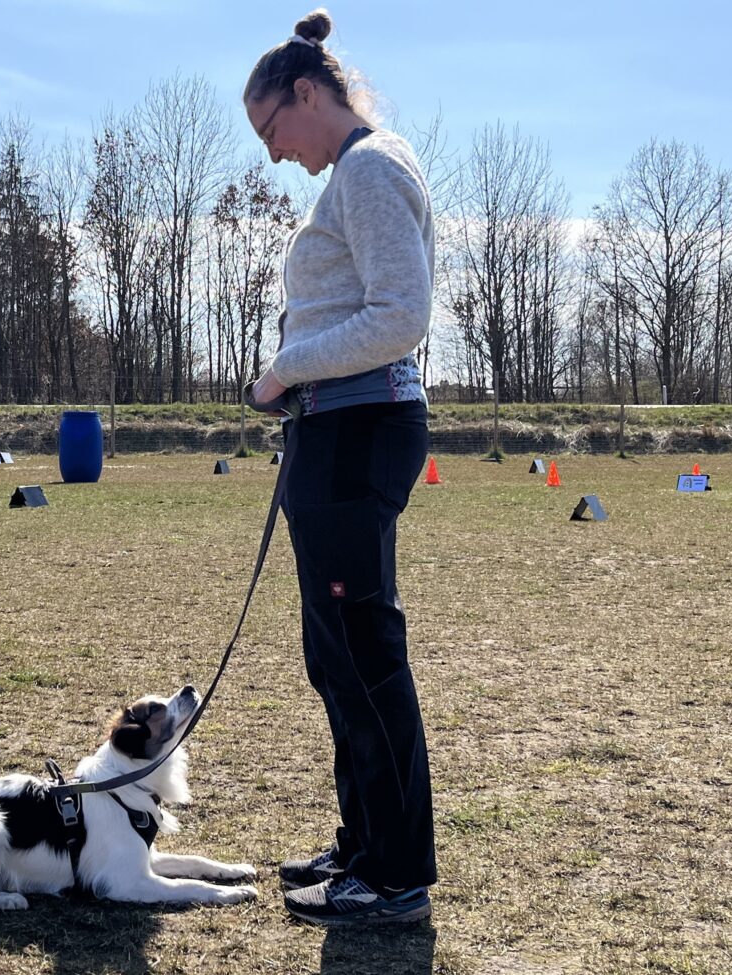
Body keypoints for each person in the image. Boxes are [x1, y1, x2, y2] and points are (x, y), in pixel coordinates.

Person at [244, 9, 437, 925]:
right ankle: (364, 843)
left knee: (363, 656)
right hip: (333, 430)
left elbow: (401, 315)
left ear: (307, 94)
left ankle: (397, 874)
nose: (275, 155)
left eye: (273, 129)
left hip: (361, 428)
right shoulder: (352, 176)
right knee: (336, 658)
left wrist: (285, 369)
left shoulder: (370, 167)